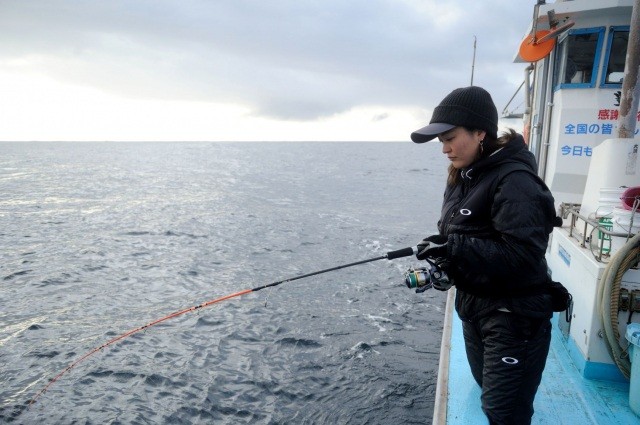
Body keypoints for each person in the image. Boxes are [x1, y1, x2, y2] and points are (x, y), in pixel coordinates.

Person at [410, 86, 560, 425]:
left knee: (504, 412)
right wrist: (441, 246)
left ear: (480, 132)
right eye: (440, 142)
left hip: (513, 314)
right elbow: (466, 234)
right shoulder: (463, 176)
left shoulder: (516, 181)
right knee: (484, 390)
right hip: (474, 307)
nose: (445, 149)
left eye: (450, 138)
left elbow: (523, 254)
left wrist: (456, 248)